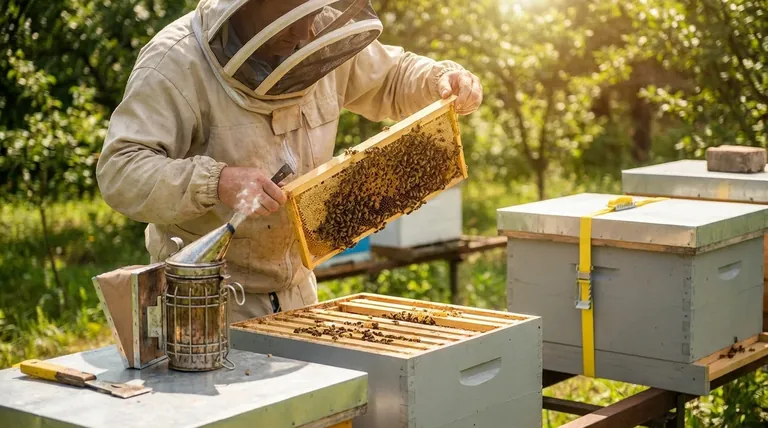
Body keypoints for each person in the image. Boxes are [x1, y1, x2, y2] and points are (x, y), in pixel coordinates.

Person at [96, 0, 483, 322]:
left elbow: (391, 76)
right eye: (293, 17)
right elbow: (121, 169)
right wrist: (217, 181)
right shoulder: (176, 63)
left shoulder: (320, 29)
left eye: (311, 14)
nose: (305, 33)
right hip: (205, 299)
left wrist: (438, 79)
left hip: (297, 289)